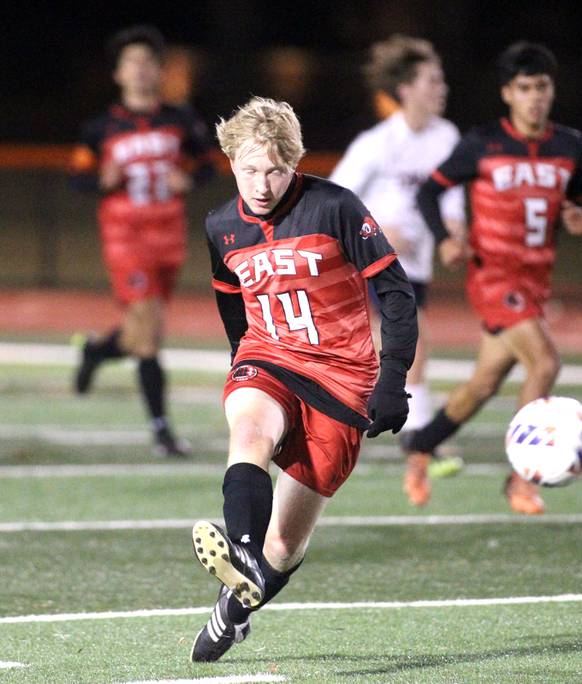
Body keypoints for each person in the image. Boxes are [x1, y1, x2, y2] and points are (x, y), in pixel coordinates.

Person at [189, 97, 417, 662]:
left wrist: (391, 380)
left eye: (274, 169)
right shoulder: (221, 225)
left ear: (295, 164)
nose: (260, 184)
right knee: (248, 434)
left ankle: (237, 603)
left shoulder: (334, 207)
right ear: (231, 162)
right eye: (248, 169)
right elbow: (233, 308)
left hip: (342, 380)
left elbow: (396, 294)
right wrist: (241, 365)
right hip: (269, 358)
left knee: (286, 545)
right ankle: (240, 553)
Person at [404, 41, 582, 513]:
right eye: (525, 88)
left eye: (543, 87)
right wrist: (444, 239)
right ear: (508, 93)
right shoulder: (483, 143)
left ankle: (420, 449)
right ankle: (521, 476)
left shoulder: (569, 144)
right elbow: (429, 192)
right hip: (493, 278)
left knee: (483, 384)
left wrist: (579, 217)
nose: (535, 97)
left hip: (534, 281)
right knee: (545, 364)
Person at [329, 35, 466, 498]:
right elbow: (334, 198)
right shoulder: (377, 143)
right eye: (433, 78)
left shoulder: (447, 137)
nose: (442, 86)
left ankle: (340, 426)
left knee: (380, 353)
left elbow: (452, 194)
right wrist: (381, 226)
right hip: (375, 261)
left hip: (417, 265)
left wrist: (452, 227)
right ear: (405, 88)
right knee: (414, 344)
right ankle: (422, 443)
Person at [69, 25, 215, 456]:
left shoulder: (181, 118)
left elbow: (207, 164)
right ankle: (162, 430)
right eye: (132, 62)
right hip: (125, 235)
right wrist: (102, 180)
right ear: (118, 73)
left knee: (138, 334)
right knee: (150, 337)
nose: (140, 69)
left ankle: (97, 350)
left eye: (148, 62)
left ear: (158, 70)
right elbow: (77, 177)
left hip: (167, 234)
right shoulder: (101, 127)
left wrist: (187, 178)